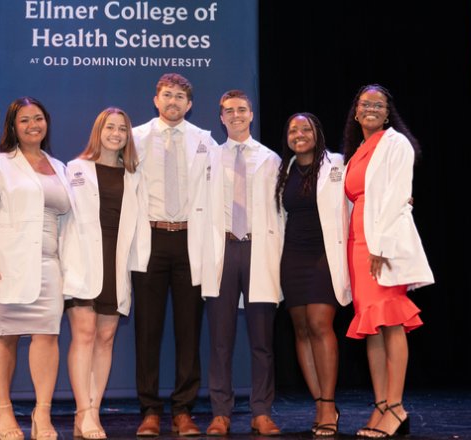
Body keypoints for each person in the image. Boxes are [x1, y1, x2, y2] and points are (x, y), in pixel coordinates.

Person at [0, 96, 73, 439]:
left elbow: (69, 220)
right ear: (12, 126)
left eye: (38, 118)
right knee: (4, 335)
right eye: (24, 120)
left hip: (50, 266)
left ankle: (42, 414)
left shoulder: (60, 166)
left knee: (47, 337)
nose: (33, 125)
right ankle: (4, 412)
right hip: (6, 264)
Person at [341, 84, 434, 438]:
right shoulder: (358, 151)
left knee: (392, 320)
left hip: (382, 244)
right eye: (364, 104)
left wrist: (380, 246)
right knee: (372, 325)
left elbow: (397, 196)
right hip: (358, 244)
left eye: (378, 105)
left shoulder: (395, 143)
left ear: (387, 111)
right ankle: (381, 405)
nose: (371, 109)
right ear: (355, 111)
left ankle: (396, 407)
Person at [131, 72, 218, 437]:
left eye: (180, 97)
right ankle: (150, 409)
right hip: (150, 240)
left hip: (188, 240)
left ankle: (183, 409)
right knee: (147, 330)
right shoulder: (134, 138)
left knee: (188, 329)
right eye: (167, 95)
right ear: (156, 99)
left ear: (190, 104)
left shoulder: (205, 141)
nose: (173, 102)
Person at [200, 90, 284, 436]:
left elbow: (282, 212)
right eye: (228, 111)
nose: (235, 115)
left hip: (258, 251)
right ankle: (221, 412)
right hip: (223, 251)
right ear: (221, 118)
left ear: (251, 114)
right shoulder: (208, 158)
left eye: (241, 110)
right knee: (220, 340)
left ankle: (261, 411)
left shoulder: (271, 159)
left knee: (262, 340)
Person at [61, 107, 140, 439]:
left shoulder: (134, 176)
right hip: (82, 260)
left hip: (115, 261)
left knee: (105, 338)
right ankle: (84, 412)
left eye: (122, 129)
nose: (116, 133)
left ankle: (92, 411)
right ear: (99, 131)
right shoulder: (75, 169)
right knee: (85, 335)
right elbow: (64, 220)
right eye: (110, 127)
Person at [274, 112, 351, 437]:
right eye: (293, 130)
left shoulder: (338, 164)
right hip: (292, 256)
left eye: (305, 129)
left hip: (325, 254)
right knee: (302, 329)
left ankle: (328, 403)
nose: (299, 134)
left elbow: (360, 195)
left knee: (320, 324)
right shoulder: (283, 169)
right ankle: (320, 403)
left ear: (317, 133)